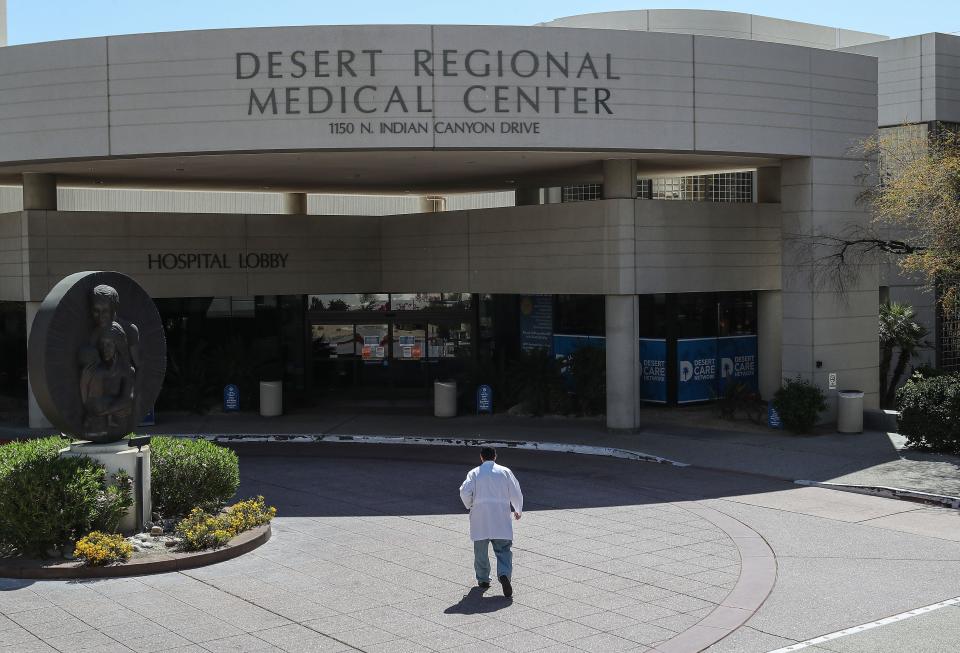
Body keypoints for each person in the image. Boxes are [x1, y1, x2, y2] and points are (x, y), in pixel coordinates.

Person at [459, 446, 523, 597]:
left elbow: (464, 491)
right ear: (495, 457)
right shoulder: (505, 472)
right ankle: (504, 574)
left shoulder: (474, 473)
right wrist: (517, 509)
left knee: (480, 551)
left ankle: (483, 580)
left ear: (481, 458)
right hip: (500, 517)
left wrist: (470, 505)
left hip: (480, 518)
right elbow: (515, 490)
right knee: (503, 550)